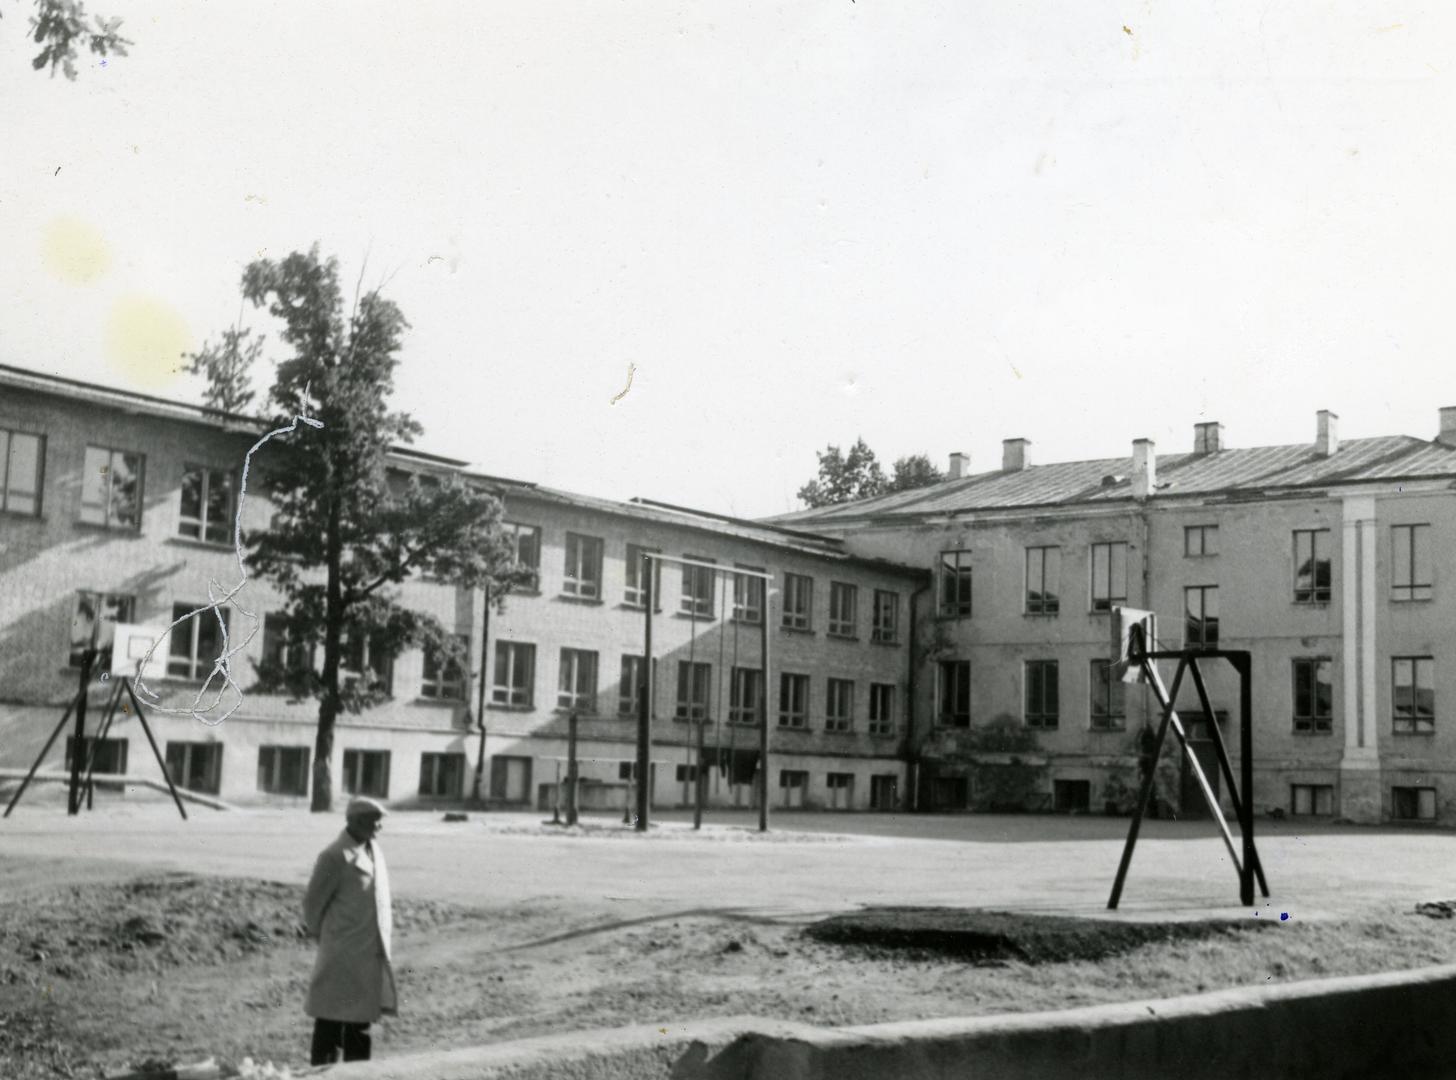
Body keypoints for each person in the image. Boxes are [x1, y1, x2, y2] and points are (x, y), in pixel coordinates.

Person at [302, 796, 396, 1065]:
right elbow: (312, 905)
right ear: (354, 821)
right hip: (341, 951)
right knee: (330, 1019)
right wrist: (326, 936)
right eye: (373, 821)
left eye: (379, 821)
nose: (379, 827)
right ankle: (322, 1072)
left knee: (360, 1023)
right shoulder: (334, 856)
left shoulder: (372, 849)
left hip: (367, 953)